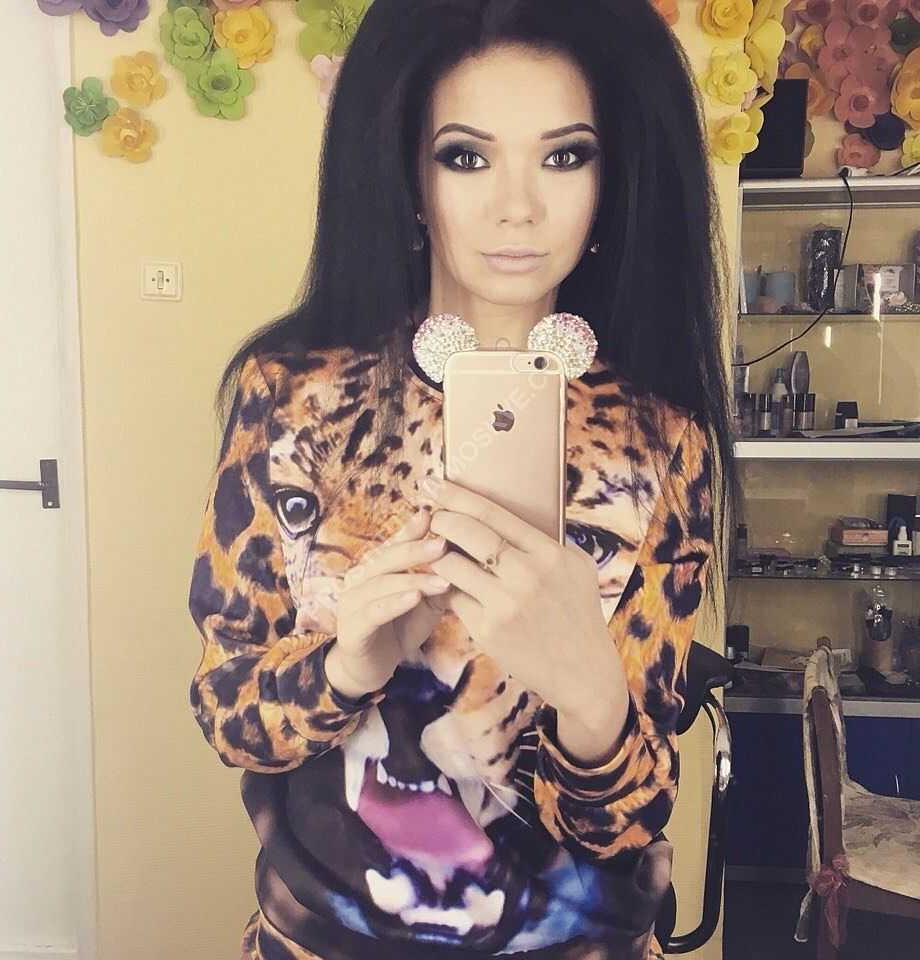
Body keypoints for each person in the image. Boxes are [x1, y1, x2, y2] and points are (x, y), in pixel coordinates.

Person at [186, 1, 735, 958]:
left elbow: (626, 825)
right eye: (466, 156)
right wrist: (347, 667)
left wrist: (590, 697)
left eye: (565, 155)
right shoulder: (290, 400)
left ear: (614, 178)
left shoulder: (660, 440)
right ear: (408, 172)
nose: (517, 207)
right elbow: (230, 717)